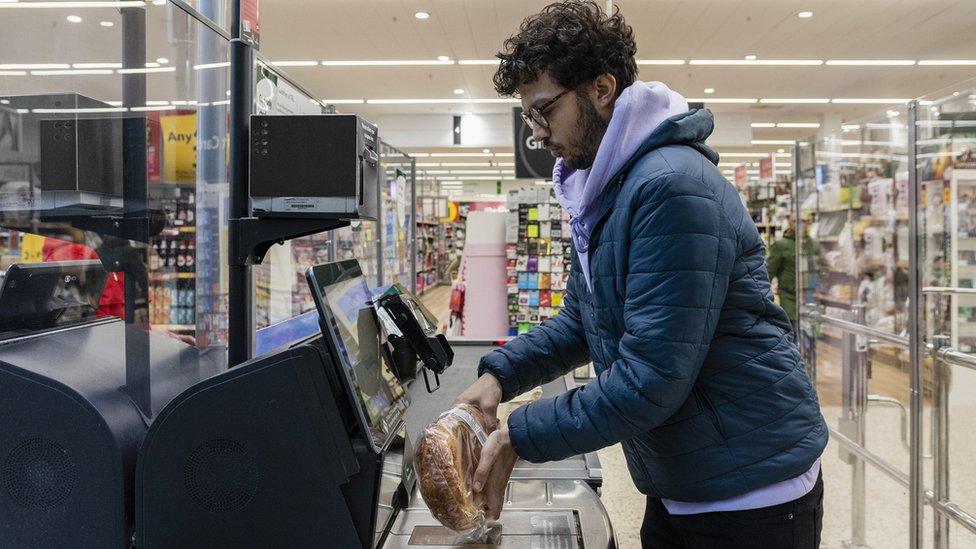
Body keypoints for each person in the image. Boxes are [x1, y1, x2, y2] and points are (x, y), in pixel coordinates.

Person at [454, 2, 828, 547]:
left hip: (748, 492)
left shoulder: (669, 188)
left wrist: (520, 435)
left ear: (601, 88)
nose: (535, 133)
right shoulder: (612, 192)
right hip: (693, 475)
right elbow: (580, 323)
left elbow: (650, 379)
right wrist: (499, 377)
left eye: (544, 111)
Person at [767, 219, 798, 335]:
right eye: (798, 221)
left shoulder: (810, 244)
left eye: (806, 221)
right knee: (792, 336)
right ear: (791, 224)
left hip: (809, 300)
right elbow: (768, 272)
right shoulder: (781, 245)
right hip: (789, 301)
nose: (802, 224)